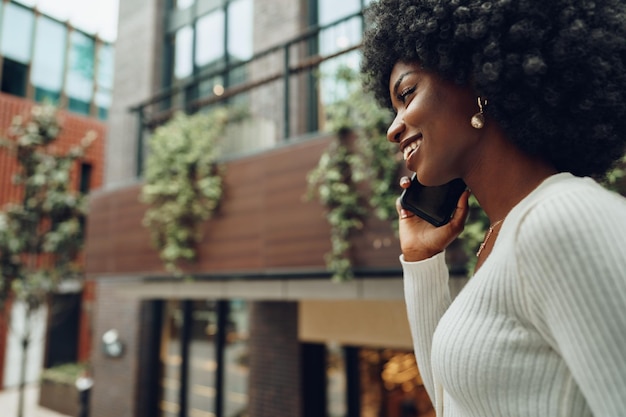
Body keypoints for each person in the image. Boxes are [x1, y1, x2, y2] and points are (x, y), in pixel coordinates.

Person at [360, 0, 626, 416]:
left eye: (407, 94)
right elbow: (454, 402)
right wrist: (421, 260)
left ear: (479, 76)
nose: (394, 129)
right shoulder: (500, 240)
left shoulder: (564, 217)